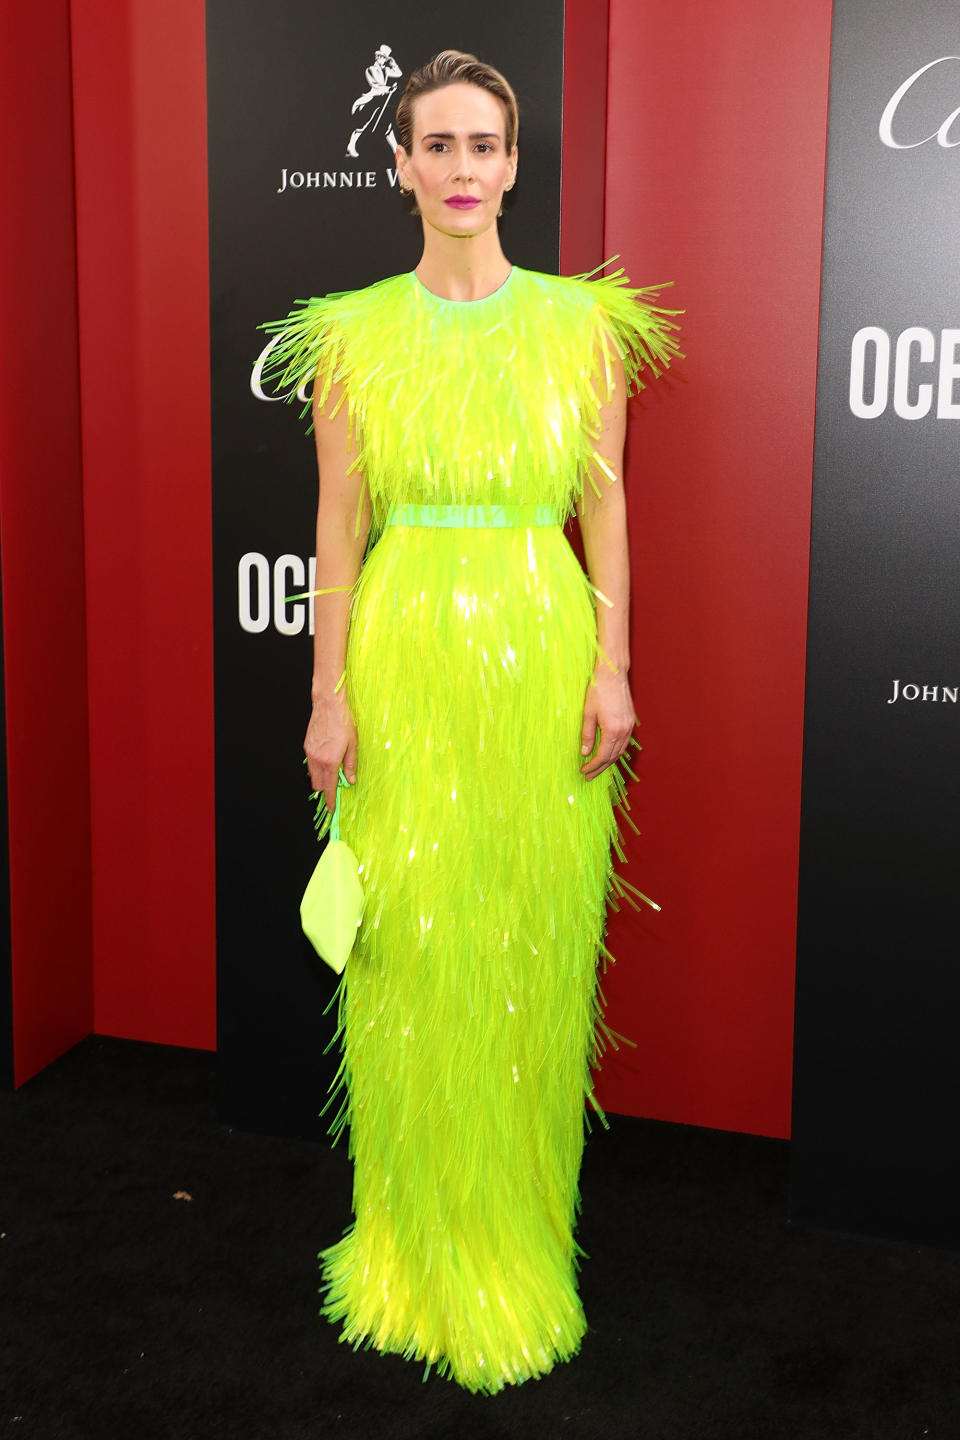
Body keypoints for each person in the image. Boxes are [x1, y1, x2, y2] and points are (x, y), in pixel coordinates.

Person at [258, 49, 680, 1394]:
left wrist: (613, 666)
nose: (458, 169)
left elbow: (603, 509)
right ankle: (408, 1254)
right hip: (402, 660)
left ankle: (510, 1254)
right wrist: (328, 693)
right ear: (398, 167)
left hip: (541, 648)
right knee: (408, 964)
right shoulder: (355, 335)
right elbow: (339, 519)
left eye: (481, 145)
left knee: (527, 955)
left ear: (513, 164)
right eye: (434, 145)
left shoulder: (580, 327)